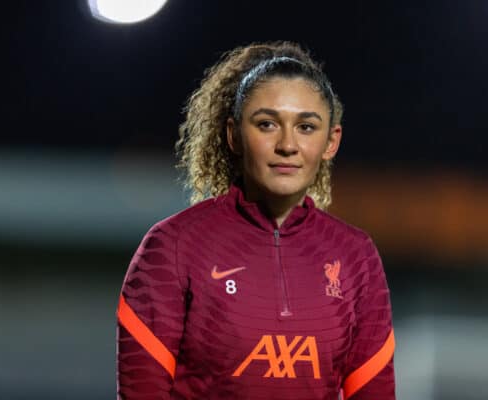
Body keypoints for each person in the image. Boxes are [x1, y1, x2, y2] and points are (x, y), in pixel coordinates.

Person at [116, 41, 395, 399]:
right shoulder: (172, 246)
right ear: (234, 135)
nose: (287, 145)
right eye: (267, 124)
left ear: (331, 141)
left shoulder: (356, 255)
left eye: (306, 127)